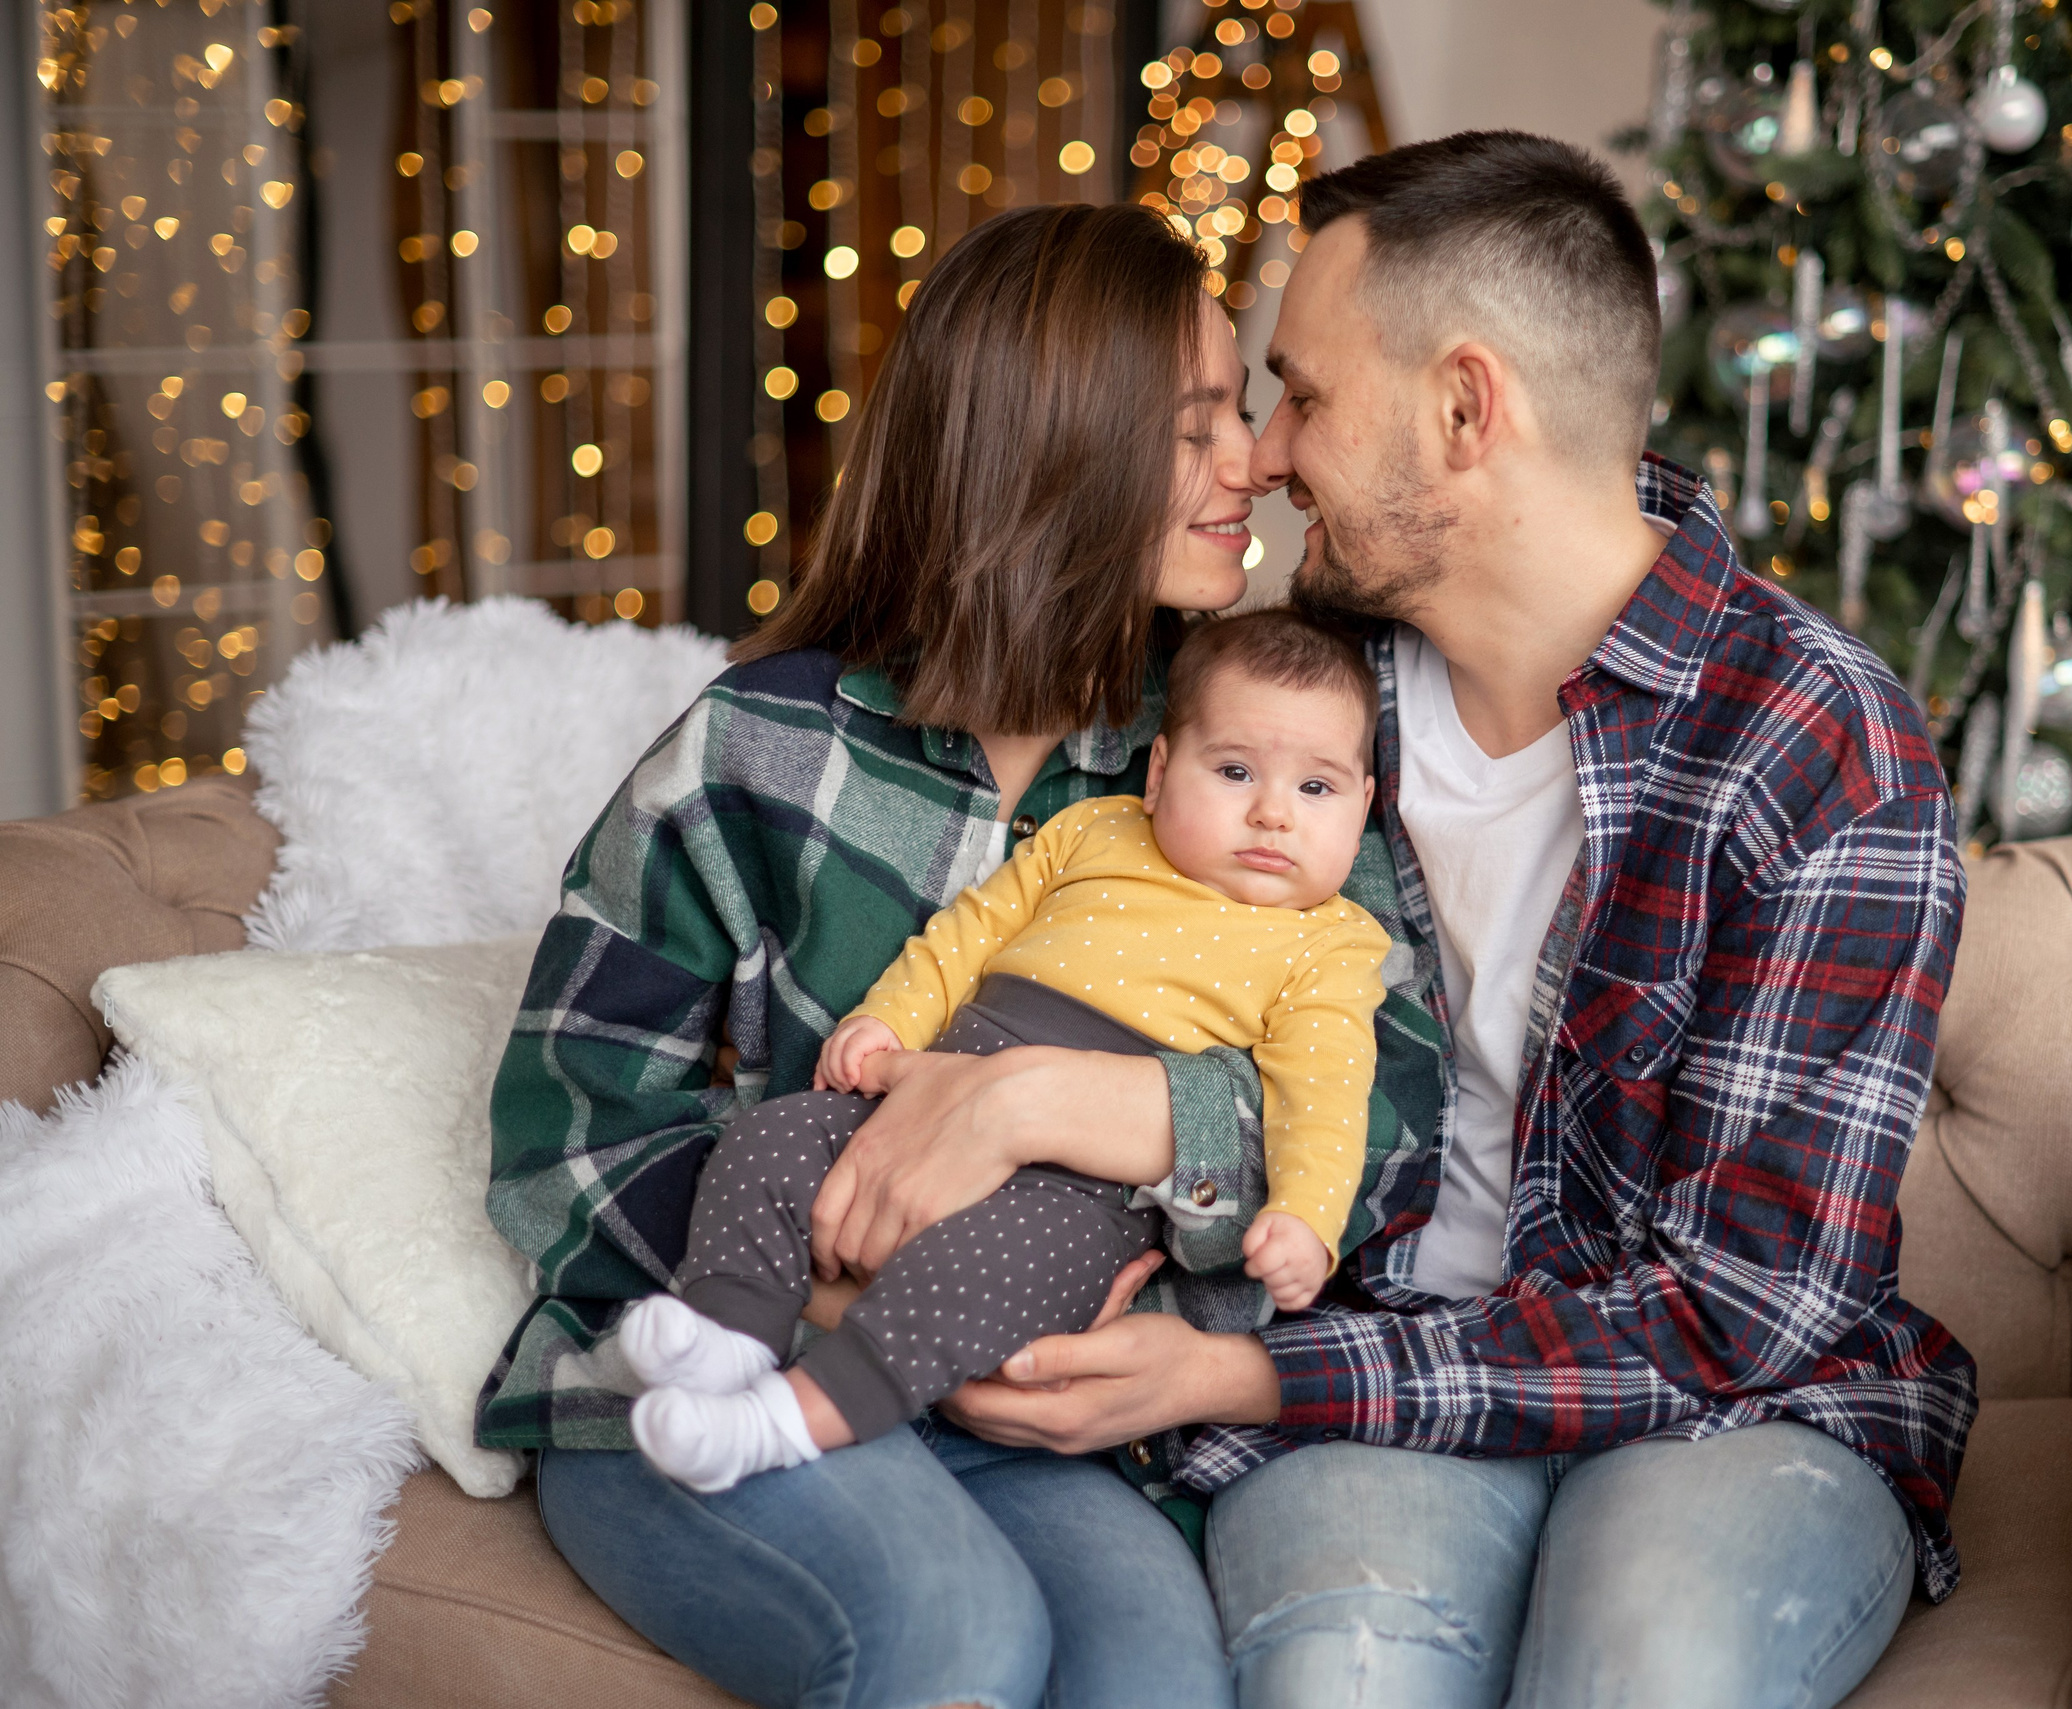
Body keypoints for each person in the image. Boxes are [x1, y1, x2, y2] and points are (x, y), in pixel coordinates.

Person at [936, 132, 1979, 1708]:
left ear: (1465, 410)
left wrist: (1245, 1370)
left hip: (1738, 1414)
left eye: (1302, 394)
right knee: (1337, 1675)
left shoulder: (1816, 744)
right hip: (1373, 1373)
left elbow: (1747, 1308)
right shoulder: (1277, 710)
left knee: (1646, 1670)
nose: (1266, 454)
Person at [480, 202, 1445, 1709]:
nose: (1254, 462)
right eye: (1195, 427)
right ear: (1056, 452)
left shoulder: (1253, 752)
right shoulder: (761, 748)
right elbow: (571, 1119)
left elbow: (1389, 1126)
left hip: (1029, 1420)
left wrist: (1089, 1116)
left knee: (1156, 1686)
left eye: (1243, 415)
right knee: (959, 1639)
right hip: (706, 1375)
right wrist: (831, 1305)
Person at [619, 610, 1391, 1494]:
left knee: (971, 1280)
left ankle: (781, 1421)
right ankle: (725, 1335)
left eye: (1316, 788)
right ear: (1160, 773)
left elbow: (1324, 1095)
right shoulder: (1094, 832)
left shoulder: (1333, 943)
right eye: (1235, 771)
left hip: (1081, 1195)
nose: (1272, 814)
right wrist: (887, 1022)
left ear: (1363, 806)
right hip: (924, 1101)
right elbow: (968, 936)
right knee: (770, 1139)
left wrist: (1304, 1217)